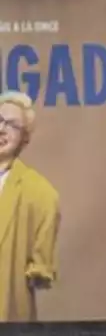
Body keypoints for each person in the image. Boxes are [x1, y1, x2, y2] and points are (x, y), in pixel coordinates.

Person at [0, 91, 59, 322]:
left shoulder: (39, 192)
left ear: (25, 138)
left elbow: (41, 268)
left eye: (12, 125)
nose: (2, 129)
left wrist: (40, 270)